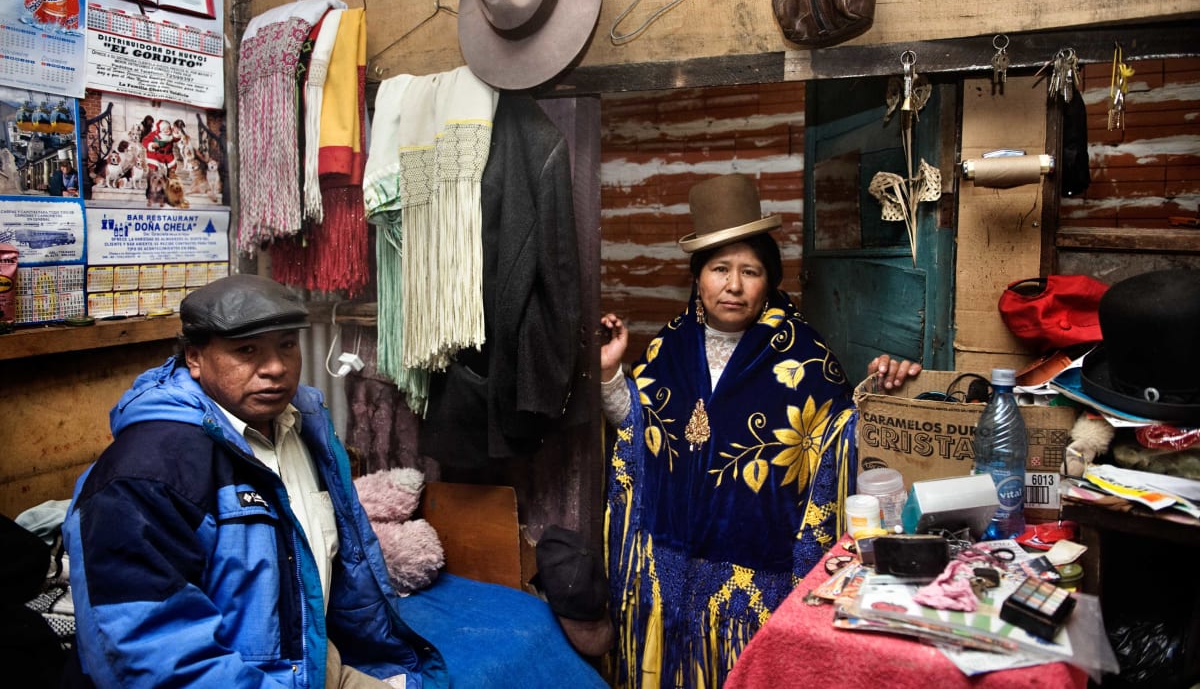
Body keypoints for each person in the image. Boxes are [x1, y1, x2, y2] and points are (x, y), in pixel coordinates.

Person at [62, 274, 608, 689]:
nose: (275, 367)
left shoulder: (305, 427)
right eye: (247, 351)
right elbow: (146, 652)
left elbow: (344, 563)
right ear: (196, 359)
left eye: (285, 345)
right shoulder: (146, 472)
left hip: (315, 660)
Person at [599, 173, 920, 688]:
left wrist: (883, 397)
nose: (733, 285)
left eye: (750, 271)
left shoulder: (805, 359)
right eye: (719, 269)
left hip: (755, 588)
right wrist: (613, 374)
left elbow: (840, 447)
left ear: (769, 281)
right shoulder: (668, 349)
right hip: (667, 569)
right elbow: (640, 438)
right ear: (697, 278)